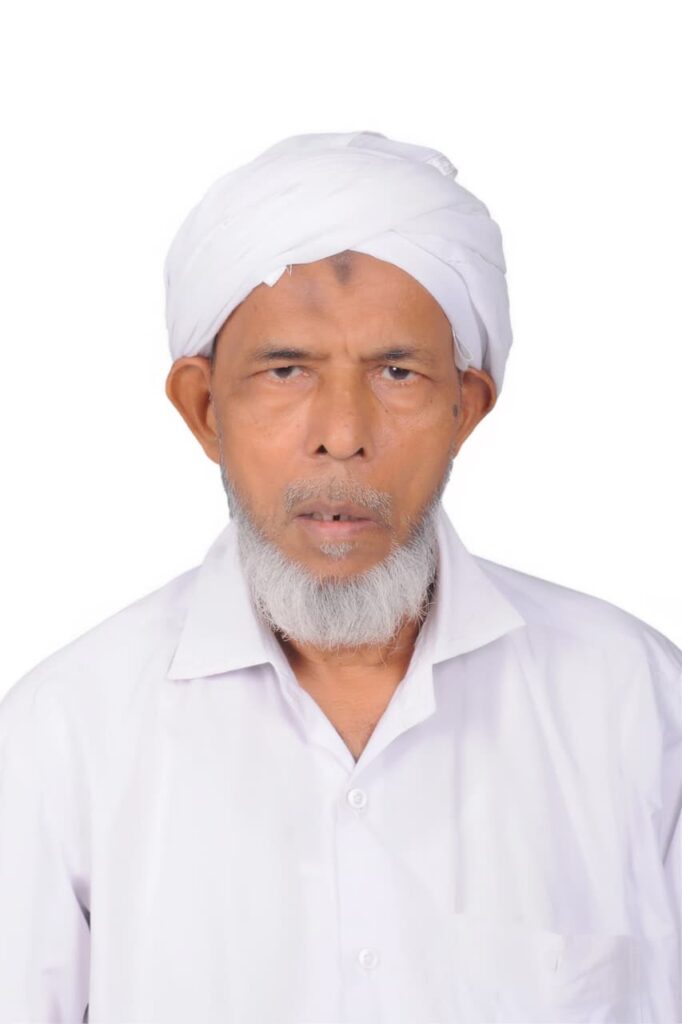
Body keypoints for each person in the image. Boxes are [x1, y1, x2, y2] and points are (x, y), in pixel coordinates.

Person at [0, 130, 679, 1024]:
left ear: (465, 407)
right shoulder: (65, 734)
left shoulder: (635, 703)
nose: (343, 434)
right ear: (204, 409)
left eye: (397, 372)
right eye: (287, 371)